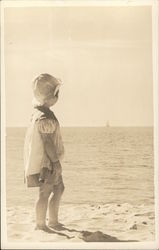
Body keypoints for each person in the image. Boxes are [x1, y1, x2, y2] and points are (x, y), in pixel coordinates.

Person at [24, 73, 65, 232]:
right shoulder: (45, 117)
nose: (58, 97)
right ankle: (41, 224)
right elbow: (47, 142)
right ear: (49, 97)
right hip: (47, 163)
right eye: (56, 93)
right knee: (45, 191)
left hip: (48, 161)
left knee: (59, 188)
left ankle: (53, 221)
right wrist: (55, 162)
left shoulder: (39, 113)